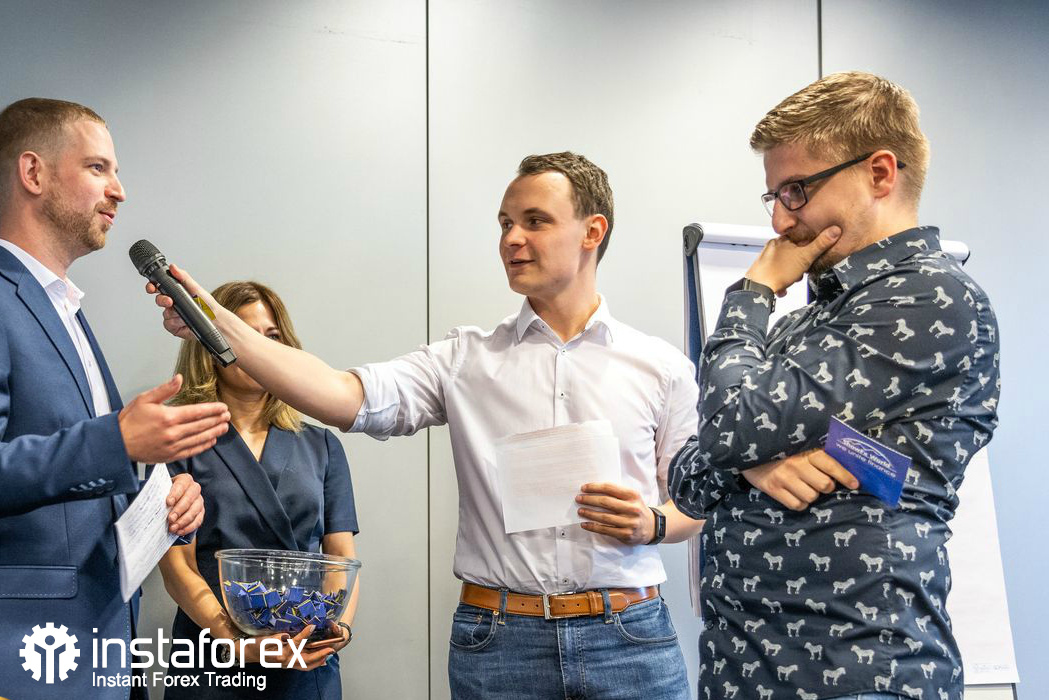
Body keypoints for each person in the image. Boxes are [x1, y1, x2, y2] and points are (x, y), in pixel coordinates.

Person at [147, 152, 703, 699]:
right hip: (501, 644)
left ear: (592, 232)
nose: (511, 239)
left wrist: (654, 523)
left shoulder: (661, 368)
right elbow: (342, 396)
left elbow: (696, 505)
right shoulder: (464, 359)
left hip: (630, 640)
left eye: (535, 221)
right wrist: (212, 319)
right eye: (505, 224)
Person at [669, 72, 1000, 700]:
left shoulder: (931, 296)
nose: (779, 219)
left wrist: (751, 293)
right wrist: (754, 464)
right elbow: (689, 475)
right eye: (773, 195)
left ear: (879, 173)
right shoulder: (802, 324)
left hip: (859, 674)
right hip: (742, 673)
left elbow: (731, 425)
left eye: (796, 190)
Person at [0, 98, 229, 699]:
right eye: (98, 168)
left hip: (101, 646)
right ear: (33, 173)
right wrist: (118, 441)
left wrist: (162, 501)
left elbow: (81, 474)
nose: (119, 191)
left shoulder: (63, 307)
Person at [159, 280, 359, 699]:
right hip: (213, 658)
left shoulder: (322, 445)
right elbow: (177, 567)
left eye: (272, 337)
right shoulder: (177, 442)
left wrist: (336, 629)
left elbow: (340, 557)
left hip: (306, 658)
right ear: (209, 343)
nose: (259, 349)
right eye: (244, 334)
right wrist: (235, 640)